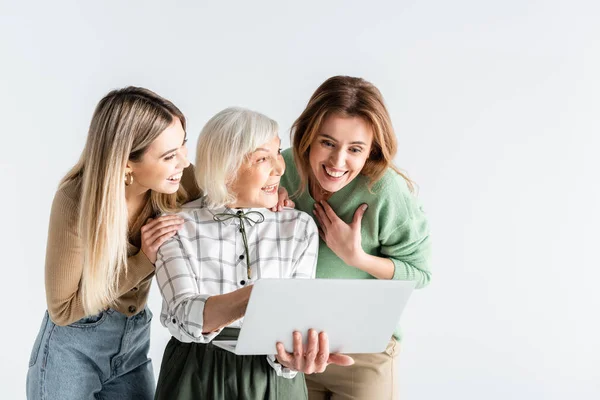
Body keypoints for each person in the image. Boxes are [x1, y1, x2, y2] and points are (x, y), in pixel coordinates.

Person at [153, 107, 354, 400]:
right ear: (227, 166)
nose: (280, 169)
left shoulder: (298, 226)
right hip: (194, 373)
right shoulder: (177, 225)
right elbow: (183, 317)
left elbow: (295, 321)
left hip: (272, 375)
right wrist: (259, 297)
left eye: (278, 153)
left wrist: (294, 356)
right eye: (263, 158)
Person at [26, 87, 200, 400]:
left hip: (134, 343)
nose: (185, 162)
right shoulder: (75, 202)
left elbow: (232, 192)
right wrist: (143, 260)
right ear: (126, 164)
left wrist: (273, 195)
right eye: (170, 155)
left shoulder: (178, 181)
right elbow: (63, 310)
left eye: (183, 144)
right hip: (73, 350)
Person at [277, 76, 432, 399]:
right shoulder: (282, 168)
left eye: (355, 149)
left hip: (364, 354)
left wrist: (356, 258)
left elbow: (420, 275)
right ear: (308, 136)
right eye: (327, 143)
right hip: (293, 350)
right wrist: (261, 206)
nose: (337, 162)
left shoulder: (386, 192)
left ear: (371, 150)